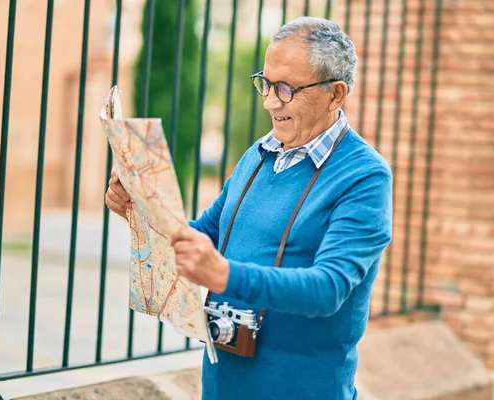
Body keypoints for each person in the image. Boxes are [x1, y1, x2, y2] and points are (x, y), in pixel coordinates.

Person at [106, 16, 392, 400]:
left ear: (336, 94)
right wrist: (139, 208)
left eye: (287, 88)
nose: (271, 101)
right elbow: (207, 232)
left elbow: (329, 288)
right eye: (266, 83)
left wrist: (224, 275)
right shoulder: (258, 154)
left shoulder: (365, 176)